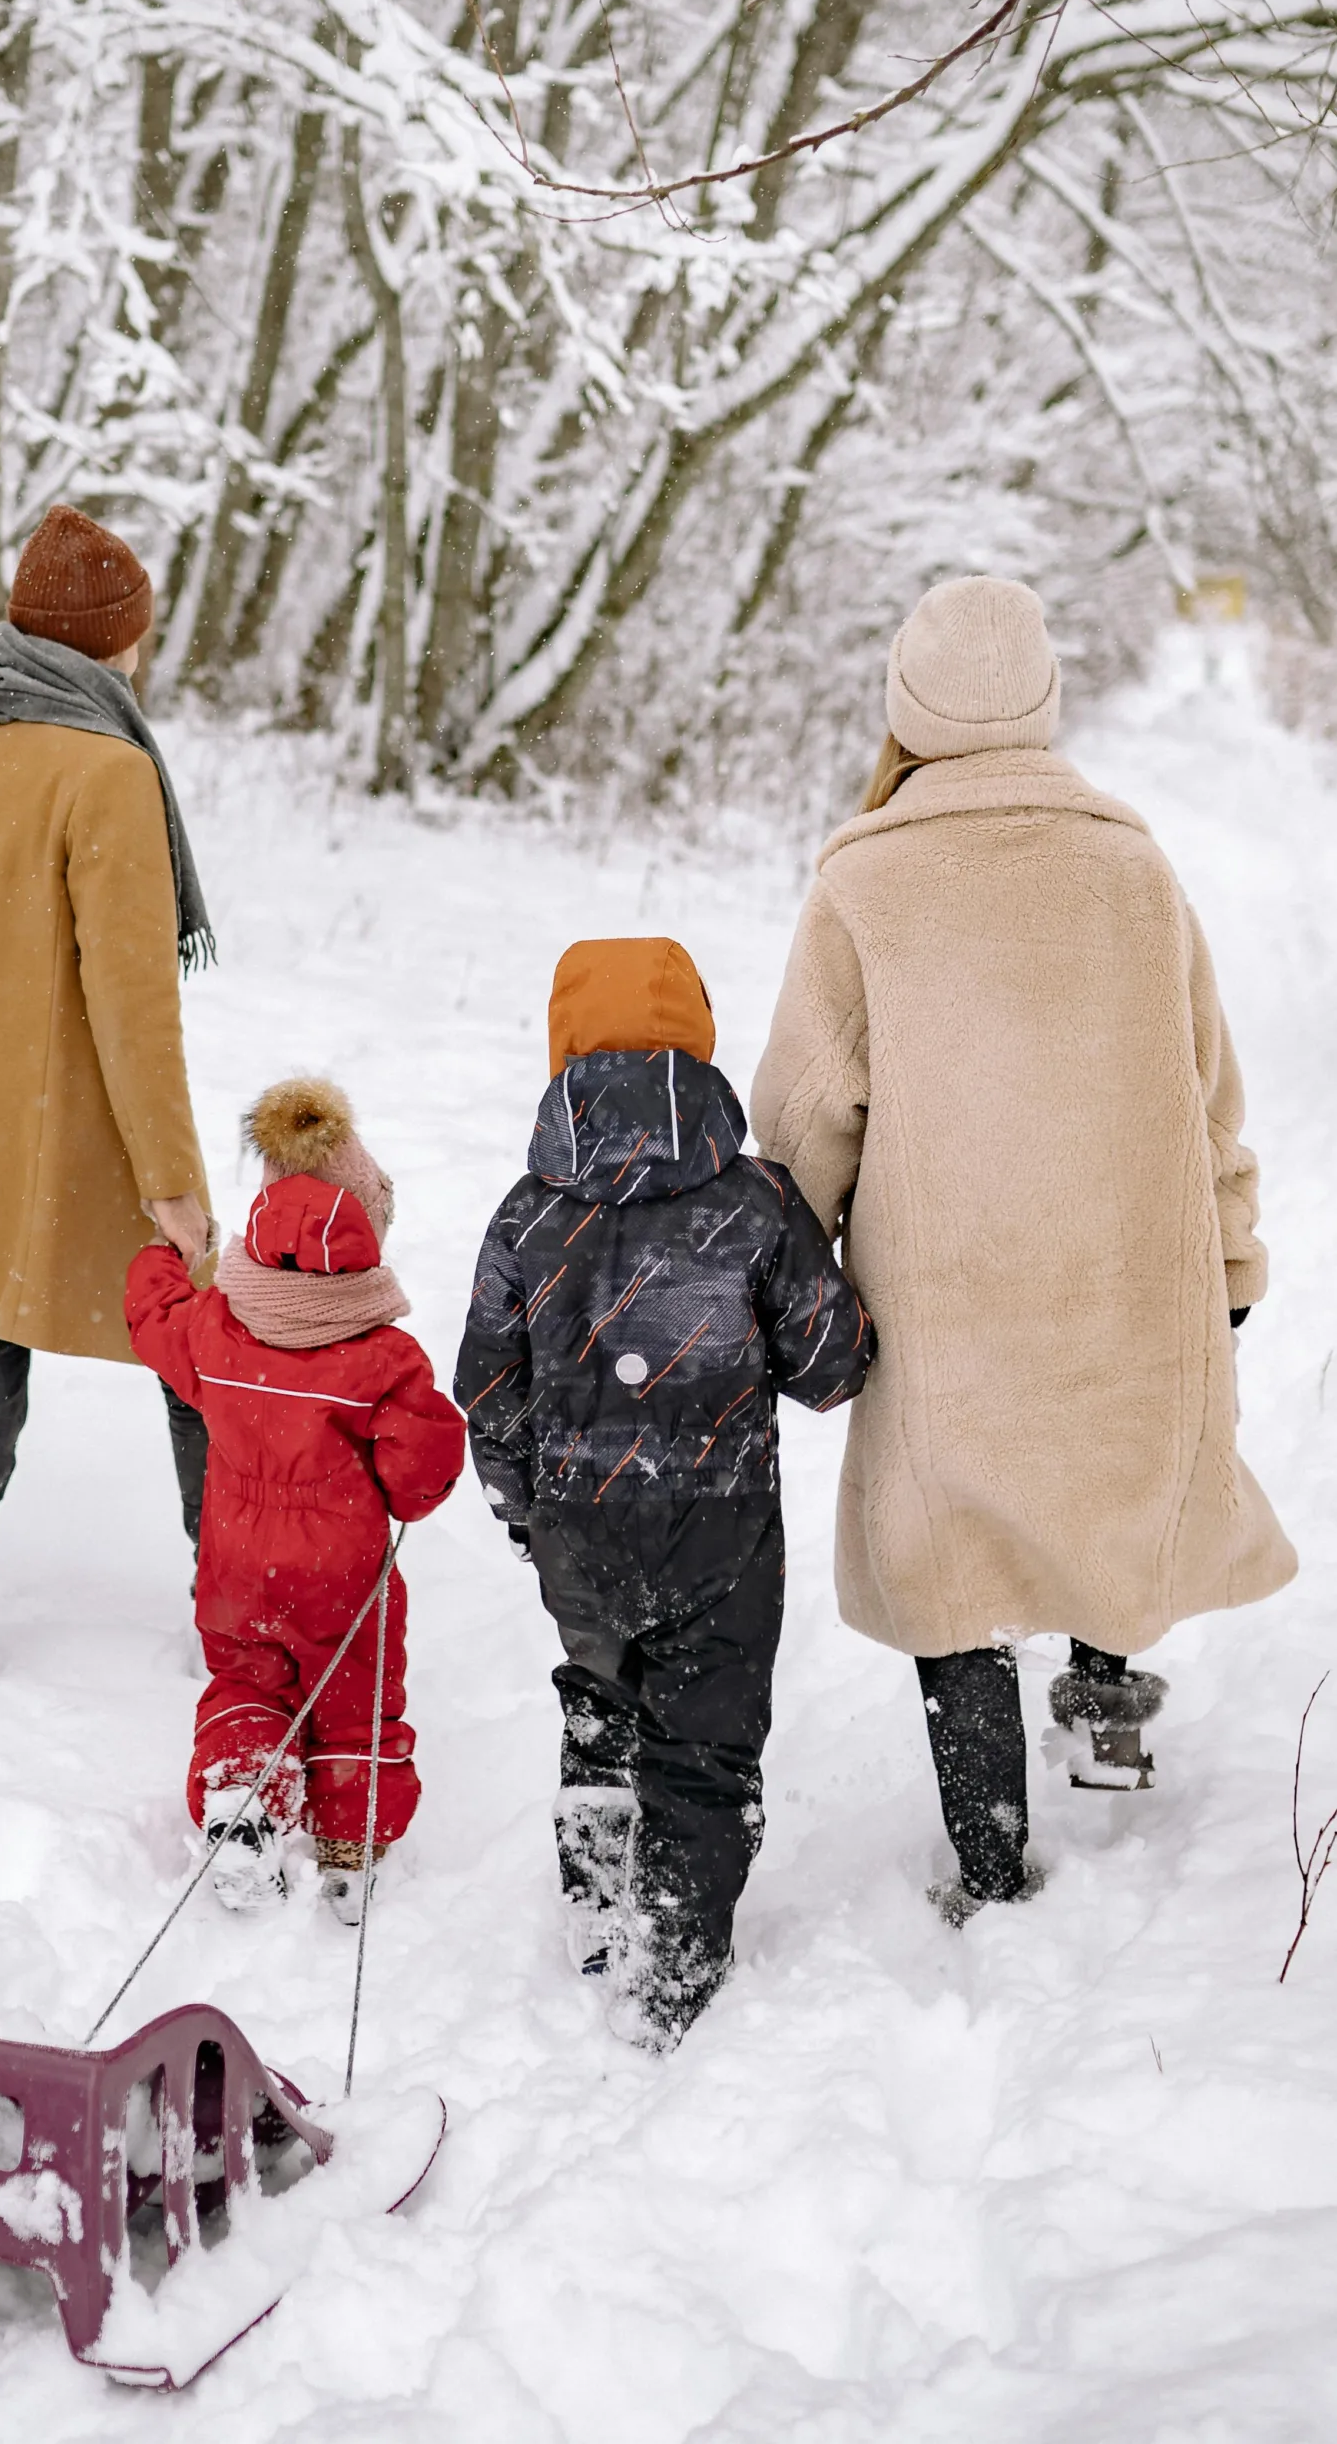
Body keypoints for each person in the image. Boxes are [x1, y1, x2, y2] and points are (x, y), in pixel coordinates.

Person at [750, 574, 1297, 1923]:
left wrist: (782, 1266)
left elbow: (807, 1110)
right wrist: (1223, 1254)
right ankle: (1105, 1700)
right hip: (1119, 1270)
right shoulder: (1128, 866)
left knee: (951, 1561)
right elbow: (1203, 1088)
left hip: (941, 1293)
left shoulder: (863, 880)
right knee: (1103, 1481)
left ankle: (989, 1861)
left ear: (905, 705)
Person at [455, 939, 874, 2050]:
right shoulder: (753, 1203)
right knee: (704, 1745)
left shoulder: (529, 1215)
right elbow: (832, 1364)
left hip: (579, 1530)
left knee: (602, 1703)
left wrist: (519, 1507)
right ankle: (674, 1960)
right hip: (721, 1529)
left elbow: (488, 1389)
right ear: (698, 1039)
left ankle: (597, 1907)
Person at [0, 503, 217, 1742]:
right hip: (84, 1157)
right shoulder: (109, 771)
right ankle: (242, 1642)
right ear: (113, 644)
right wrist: (175, 1189)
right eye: (139, 636)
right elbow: (136, 1011)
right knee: (198, 1374)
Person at [125, 1078, 466, 1924]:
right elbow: (425, 1464)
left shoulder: (215, 1329)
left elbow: (151, 1315)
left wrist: (163, 1256)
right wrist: (400, 1496)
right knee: (354, 1697)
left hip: (235, 1563)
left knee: (247, 1681)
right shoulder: (381, 1358)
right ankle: (351, 1851)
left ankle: (243, 1800)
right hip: (341, 1573)